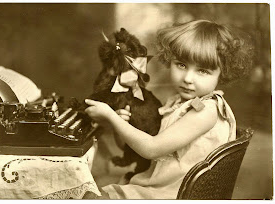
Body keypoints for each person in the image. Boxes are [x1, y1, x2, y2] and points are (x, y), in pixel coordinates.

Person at [84, 19, 253, 199]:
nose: (188, 78)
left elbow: (151, 149)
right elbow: (133, 148)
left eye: (202, 71)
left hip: (175, 194)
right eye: (181, 65)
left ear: (223, 72)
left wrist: (111, 116)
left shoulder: (206, 111)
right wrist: (121, 124)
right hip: (157, 184)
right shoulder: (178, 104)